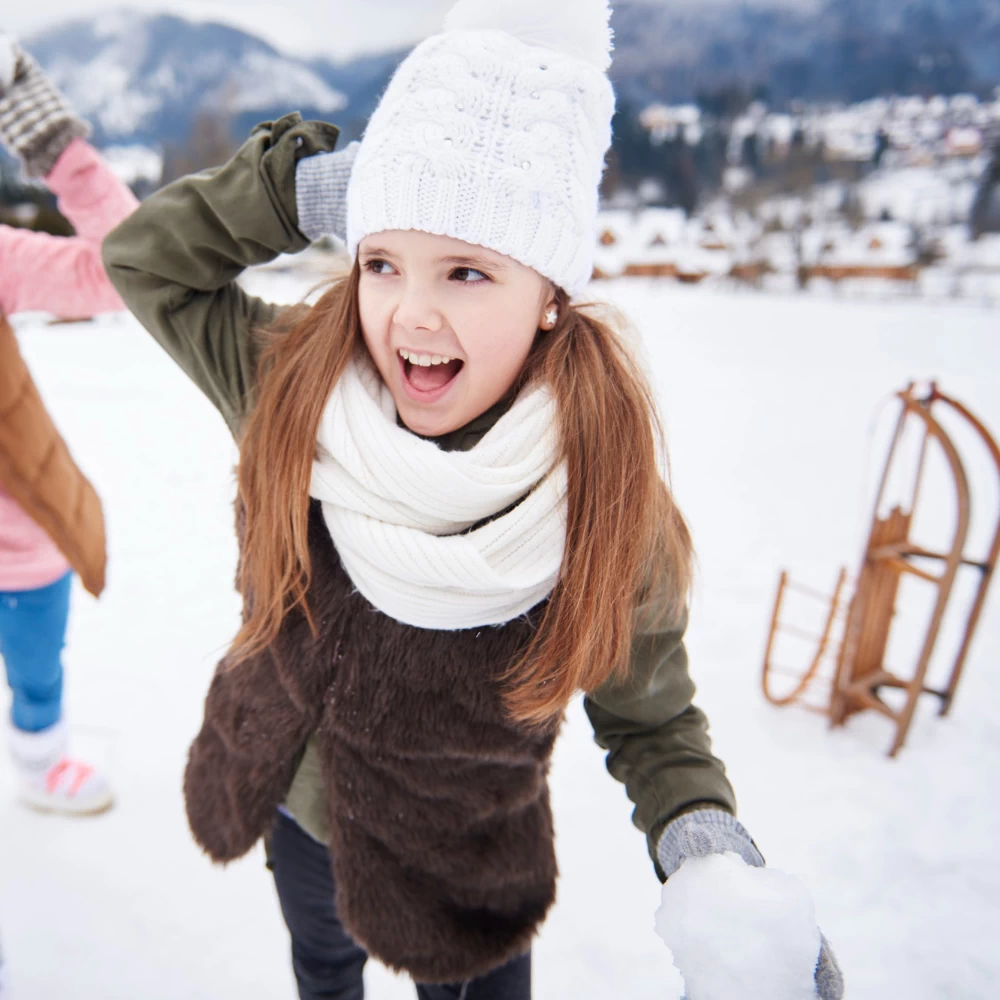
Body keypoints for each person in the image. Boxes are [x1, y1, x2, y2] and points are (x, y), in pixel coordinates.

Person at [103, 1, 843, 997]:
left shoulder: (602, 496)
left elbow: (652, 722)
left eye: (466, 270)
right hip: (293, 798)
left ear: (548, 294)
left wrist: (708, 858)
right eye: (381, 261)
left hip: (462, 861)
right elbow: (146, 260)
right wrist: (307, 188)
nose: (411, 313)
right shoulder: (290, 385)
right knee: (322, 968)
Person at [0, 34, 137, 816]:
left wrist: (58, 151)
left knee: (38, 673)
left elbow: (119, 271)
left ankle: (40, 763)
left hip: (21, 545)